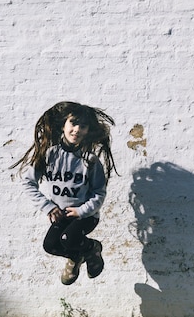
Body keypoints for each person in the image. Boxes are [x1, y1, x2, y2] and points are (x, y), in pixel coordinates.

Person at [12, 101, 117, 285]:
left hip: (86, 216)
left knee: (68, 239)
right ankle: (77, 257)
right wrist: (48, 207)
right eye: (73, 123)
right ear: (63, 126)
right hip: (62, 215)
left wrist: (82, 211)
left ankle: (93, 247)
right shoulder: (49, 155)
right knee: (50, 245)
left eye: (82, 126)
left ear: (87, 131)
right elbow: (28, 182)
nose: (76, 129)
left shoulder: (90, 160)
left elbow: (99, 193)